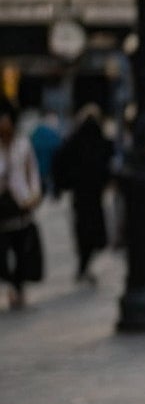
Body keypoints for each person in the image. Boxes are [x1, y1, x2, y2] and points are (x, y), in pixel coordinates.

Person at [51, 106, 112, 282]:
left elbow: (59, 161)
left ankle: (83, 263)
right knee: (93, 228)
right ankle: (84, 264)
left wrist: (62, 184)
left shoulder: (74, 140)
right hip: (93, 192)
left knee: (83, 228)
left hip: (81, 192)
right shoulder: (98, 139)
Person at [0, 101, 47, 309]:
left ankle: (18, 286)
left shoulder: (23, 144)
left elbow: (32, 171)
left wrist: (34, 196)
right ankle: (10, 281)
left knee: (21, 248)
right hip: (1, 204)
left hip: (20, 201)